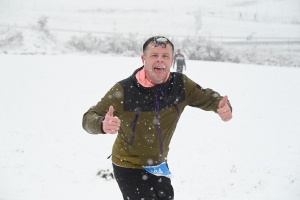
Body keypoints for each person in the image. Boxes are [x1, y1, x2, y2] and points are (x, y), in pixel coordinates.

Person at [82, 36, 233, 200]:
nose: (160, 60)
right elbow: (88, 118)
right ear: (143, 59)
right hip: (128, 164)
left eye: (165, 56)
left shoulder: (180, 85)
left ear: (172, 60)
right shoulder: (125, 90)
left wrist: (223, 107)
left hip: (158, 164)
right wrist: (101, 123)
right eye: (154, 55)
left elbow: (211, 98)